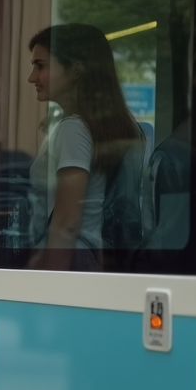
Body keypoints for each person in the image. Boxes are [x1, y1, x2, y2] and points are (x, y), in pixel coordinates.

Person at [25, 24, 144, 270]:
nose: (31, 77)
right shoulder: (105, 126)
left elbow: (67, 223)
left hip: (70, 260)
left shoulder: (73, 129)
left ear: (75, 70)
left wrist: (49, 284)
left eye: (41, 66)